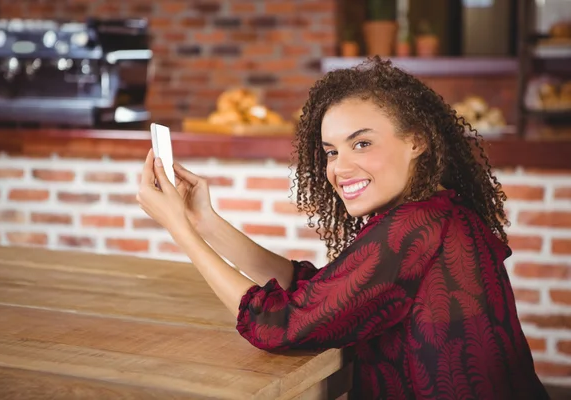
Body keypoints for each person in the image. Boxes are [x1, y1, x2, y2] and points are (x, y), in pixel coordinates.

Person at [137, 56, 549, 399]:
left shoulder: (414, 226)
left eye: (362, 143)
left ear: (417, 141)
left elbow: (279, 325)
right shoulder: (437, 211)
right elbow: (324, 295)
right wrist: (205, 222)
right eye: (331, 151)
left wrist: (180, 231)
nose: (340, 167)